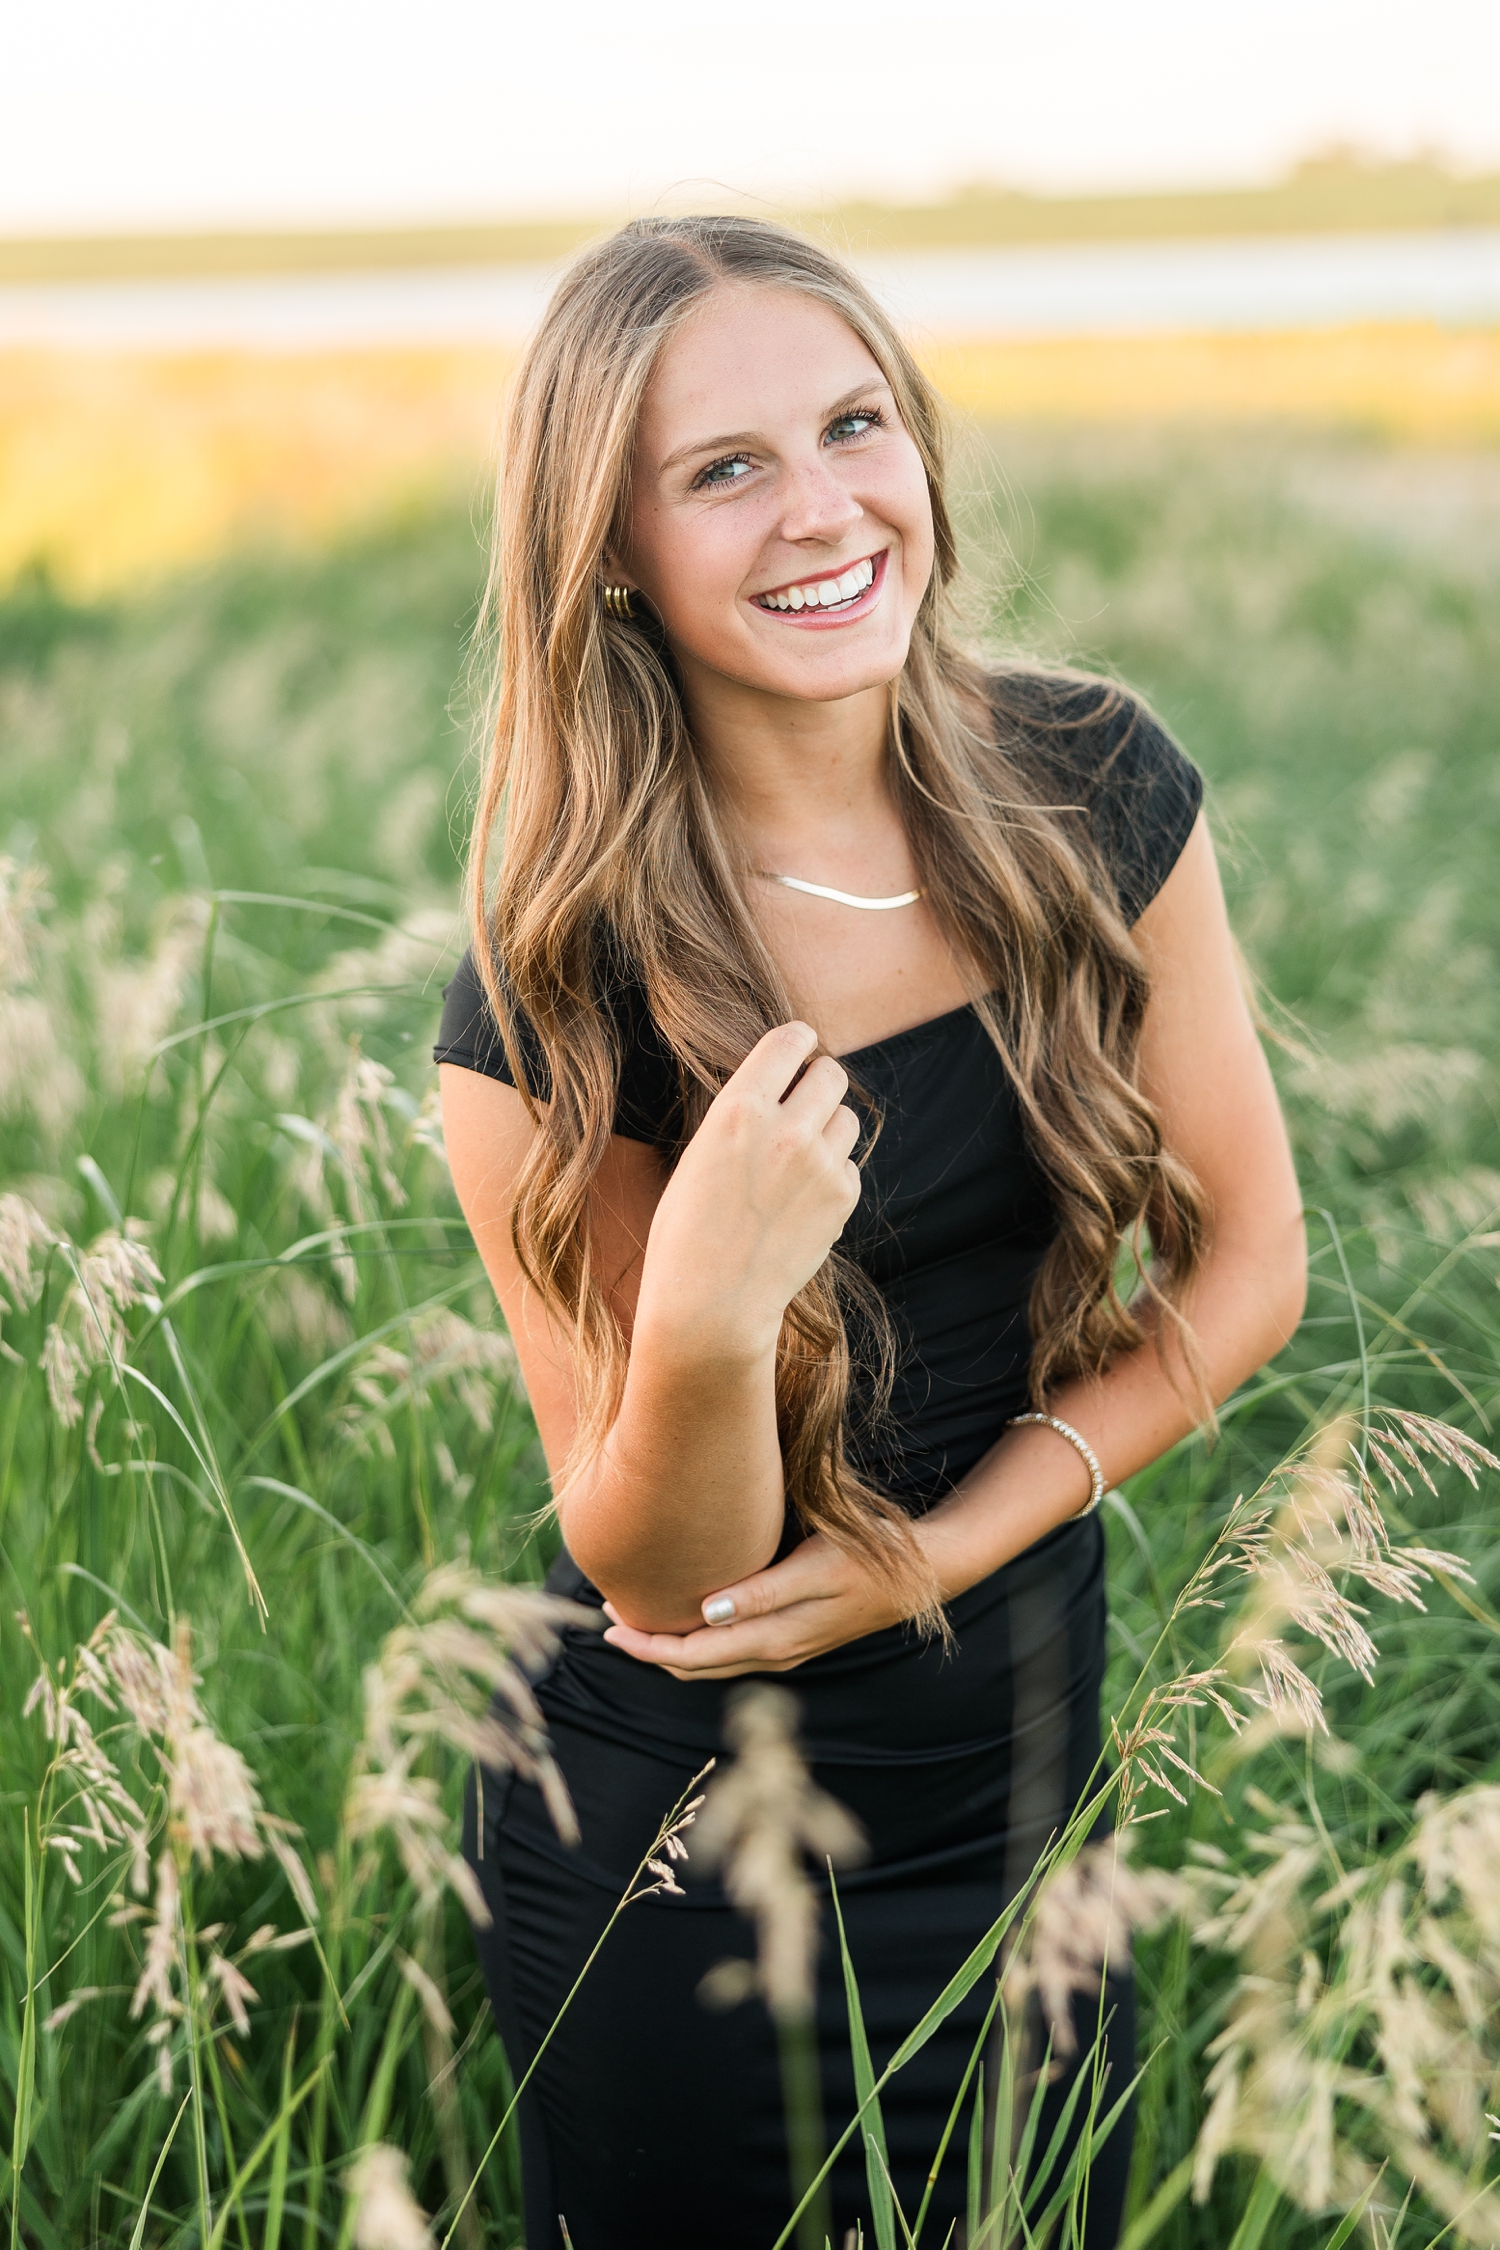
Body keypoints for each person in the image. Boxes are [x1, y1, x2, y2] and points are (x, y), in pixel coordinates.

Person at [435, 214, 1306, 2250]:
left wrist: (945, 1547)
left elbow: (1249, 1267)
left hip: (1012, 1762)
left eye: (855, 425)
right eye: (725, 468)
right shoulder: (558, 986)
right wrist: (717, 1313)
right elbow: (656, 1564)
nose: (824, 508)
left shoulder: (1090, 786)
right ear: (612, 549)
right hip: (676, 1842)